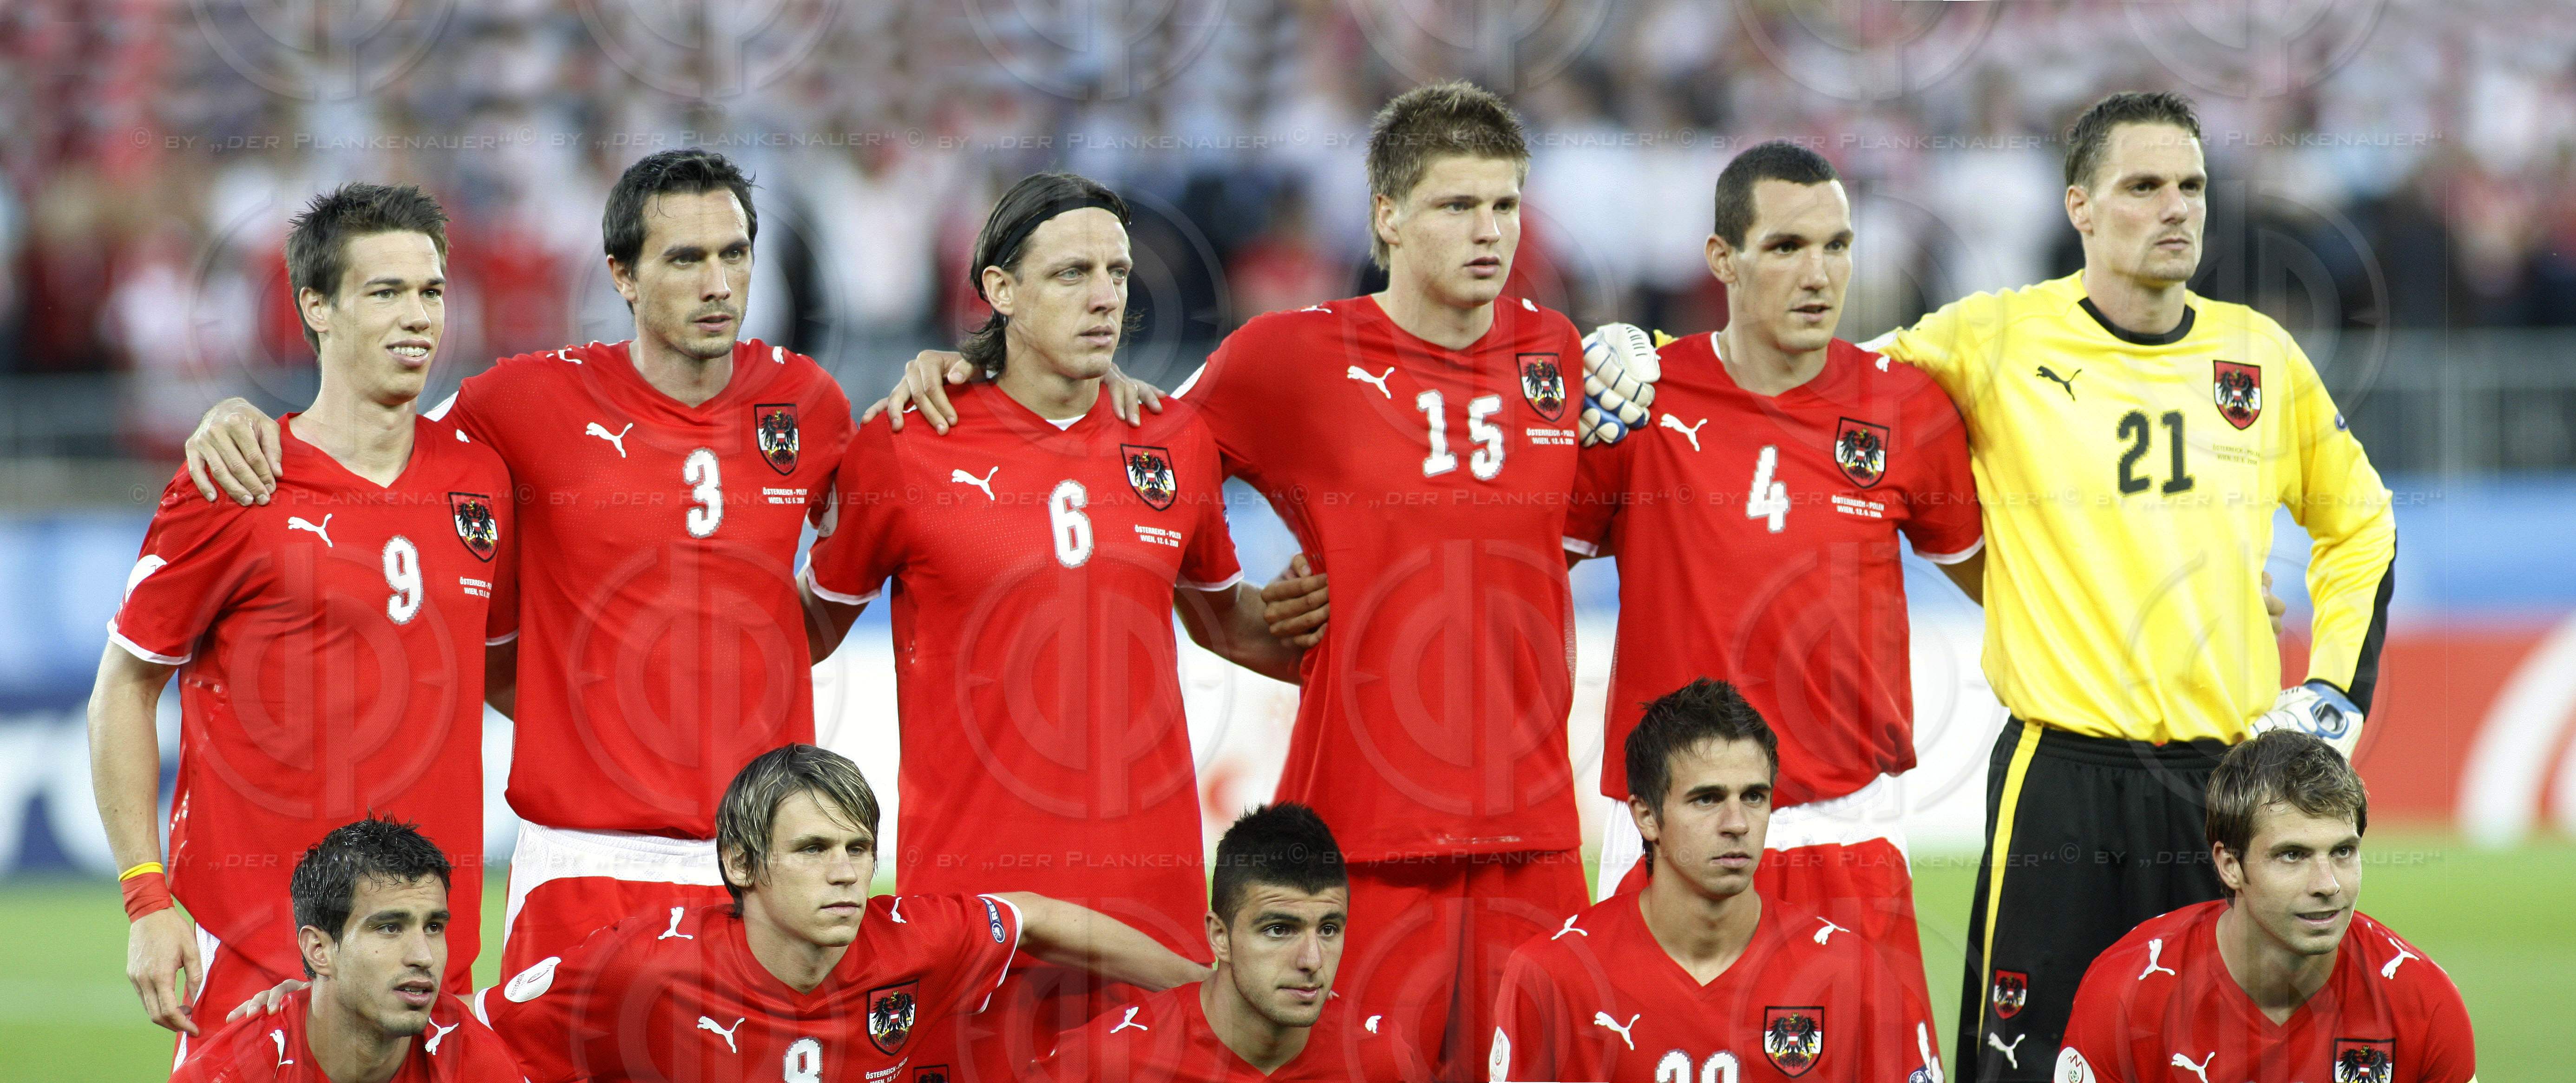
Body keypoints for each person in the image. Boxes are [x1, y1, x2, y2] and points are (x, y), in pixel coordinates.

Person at [872, 81, 1592, 1082]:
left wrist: (1642, 356)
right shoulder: (1287, 357)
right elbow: (1142, 453)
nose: (1489, 230)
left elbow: (1645, 490)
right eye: (1457, 205)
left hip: (1539, 829)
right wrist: (994, 376)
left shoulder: (1558, 355)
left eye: (1506, 204)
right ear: (1386, 215)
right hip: (1366, 835)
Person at [182, 150, 863, 980]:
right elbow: (366, 447)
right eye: (686, 258)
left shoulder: (809, 402)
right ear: (623, 275)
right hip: (582, 867)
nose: (718, 282)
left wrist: (955, 369)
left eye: (734, 253)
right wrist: (235, 415)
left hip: (758, 869)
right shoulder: (525, 401)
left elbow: (861, 551)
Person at [1857, 91, 2399, 1079]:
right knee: (2020, 1062)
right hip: (2057, 776)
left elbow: (2360, 522)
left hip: (2223, 781)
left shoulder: (2259, 357)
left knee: (2216, 1058)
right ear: (2081, 207)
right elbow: (1821, 395)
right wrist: (1657, 364)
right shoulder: (1995, 338)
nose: (2175, 207)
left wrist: (2328, 696)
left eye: (2190, 185)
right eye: (2143, 186)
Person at [796, 171, 1305, 1080]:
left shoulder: (1171, 439)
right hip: (980, 914)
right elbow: (804, 632)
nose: (1107, 293)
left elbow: (1230, 624)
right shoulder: (906, 440)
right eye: (1072, 272)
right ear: (1000, 290)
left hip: (1152, 911)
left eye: (1117, 270)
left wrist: (1362, 629)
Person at [1560, 142, 1982, 1030]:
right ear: (1724, 260)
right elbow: (1518, 562)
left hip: (1846, 830)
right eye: (1788, 247)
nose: (1820, 273)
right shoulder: (1640, 400)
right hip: (1667, 832)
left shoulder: (1907, 407)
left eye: (1838, 246)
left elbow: (1998, 583)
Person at [91, 183, 514, 1056]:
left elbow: (510, 676)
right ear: (314, 306)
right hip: (256, 954)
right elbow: (124, 689)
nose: (418, 317)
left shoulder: (484, 480)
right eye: (384, 292)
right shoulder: (238, 479)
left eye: (432, 291)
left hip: (428, 959)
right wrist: (145, 896)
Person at [472, 743, 1209, 1082]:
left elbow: (1037, 915)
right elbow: (473, 1031)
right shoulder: (640, 961)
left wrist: (1204, 986)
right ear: (740, 863)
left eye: (859, 846)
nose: (846, 872)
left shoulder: (914, 940)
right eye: (814, 847)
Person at [1488, 679, 1940, 1082]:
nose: (1737, 823)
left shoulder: (1851, 974)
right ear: (1645, 815)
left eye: (1754, 797)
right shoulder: (1554, 976)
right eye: (1707, 799)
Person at [2054, 731, 2474, 1083]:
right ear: (2229, 865)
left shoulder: (2423, 1001)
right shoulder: (2127, 993)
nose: (2327, 885)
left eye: (2343, 852)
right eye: (2292, 855)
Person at [1037, 803, 1424, 1083]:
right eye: (1279, 929)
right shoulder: (1108, 1061)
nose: (1312, 960)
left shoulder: (1378, 1059)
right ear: (1219, 936)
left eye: (1328, 929)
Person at [173, 818, 523, 1082]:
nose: (424, 956)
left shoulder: (474, 1061)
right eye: (390, 927)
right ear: (319, 950)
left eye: (433, 926)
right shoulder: (234, 1071)